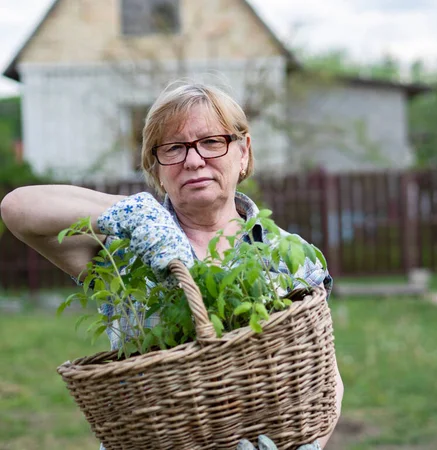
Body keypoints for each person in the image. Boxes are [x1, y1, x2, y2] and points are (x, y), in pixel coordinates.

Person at [0, 81, 343, 449]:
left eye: (212, 141)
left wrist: (312, 444)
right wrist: (132, 212)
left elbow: (327, 379)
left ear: (243, 152)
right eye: (174, 148)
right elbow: (18, 208)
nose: (193, 160)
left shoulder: (289, 254)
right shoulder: (120, 252)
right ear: (155, 167)